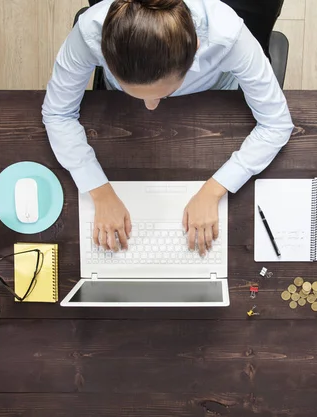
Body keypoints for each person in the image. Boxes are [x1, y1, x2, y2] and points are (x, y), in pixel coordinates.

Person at [42, 0, 294, 256]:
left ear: (196, 48)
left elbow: (276, 122)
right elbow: (56, 112)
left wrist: (214, 190)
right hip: (119, 111)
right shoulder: (90, 33)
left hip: (211, 97)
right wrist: (99, 191)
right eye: (137, 93)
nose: (151, 107)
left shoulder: (227, 35)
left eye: (165, 91)